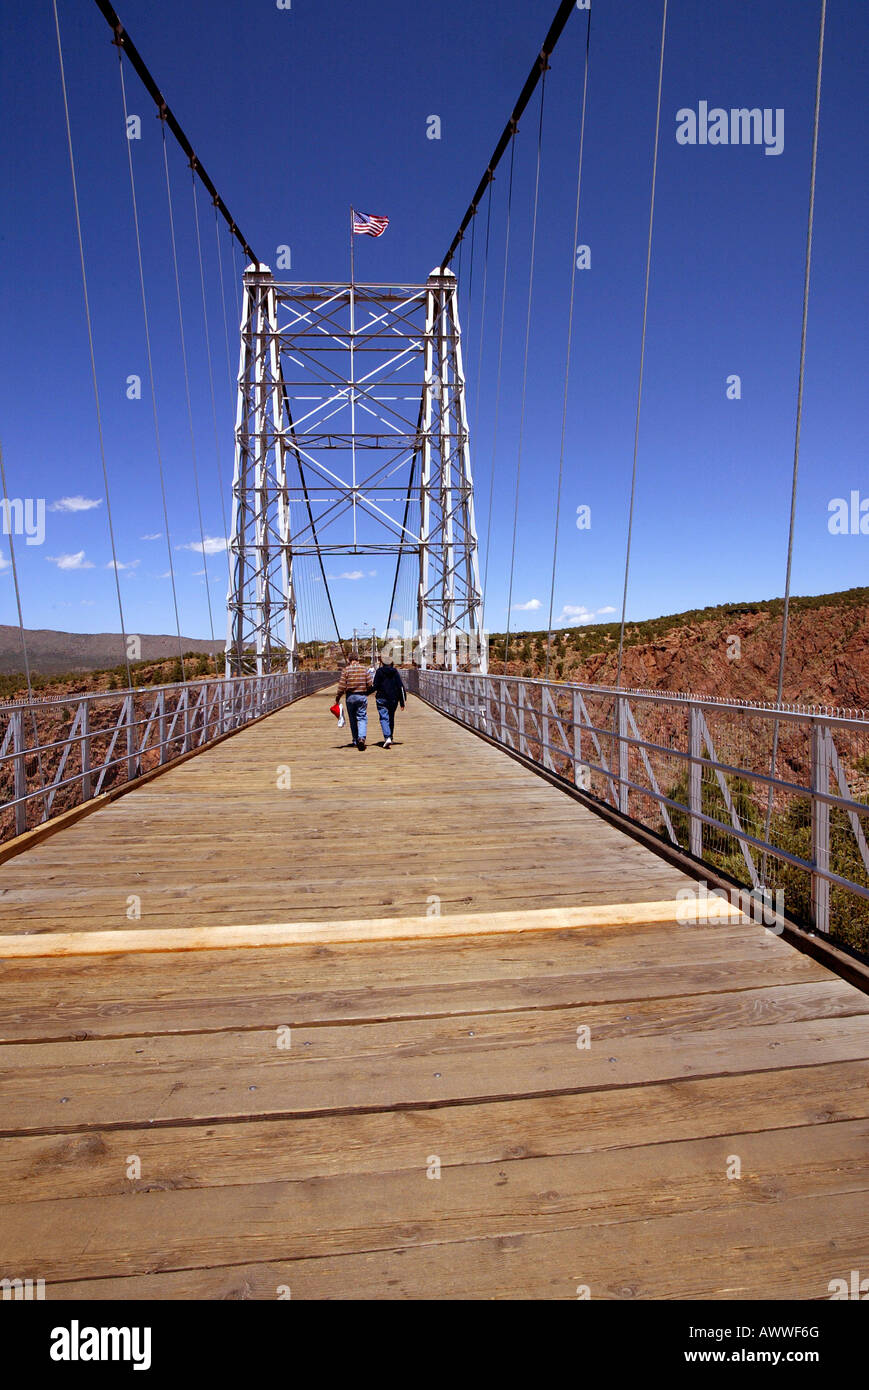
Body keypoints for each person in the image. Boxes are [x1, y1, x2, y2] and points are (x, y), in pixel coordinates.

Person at [335, 655, 372, 750]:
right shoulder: (365, 669)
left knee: (352, 719)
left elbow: (342, 686)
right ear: (358, 660)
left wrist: (338, 698)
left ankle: (355, 740)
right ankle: (361, 739)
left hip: (350, 697)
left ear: (349, 660)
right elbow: (370, 684)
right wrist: (366, 692)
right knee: (362, 717)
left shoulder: (346, 670)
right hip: (361, 696)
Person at [372, 653, 406, 748]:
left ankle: (387, 737)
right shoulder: (395, 672)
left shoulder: (379, 672)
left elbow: (375, 686)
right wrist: (402, 702)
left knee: (384, 718)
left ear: (382, 662)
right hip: (393, 699)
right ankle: (390, 736)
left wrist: (365, 693)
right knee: (391, 718)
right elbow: (400, 687)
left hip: (381, 698)